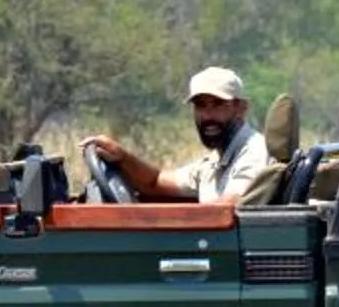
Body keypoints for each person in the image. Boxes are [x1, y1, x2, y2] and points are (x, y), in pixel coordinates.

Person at [81, 67, 271, 204]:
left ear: (241, 109)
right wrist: (122, 157)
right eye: (200, 105)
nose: (207, 116)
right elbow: (156, 182)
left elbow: (226, 210)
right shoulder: (217, 160)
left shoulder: (254, 152)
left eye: (218, 104)